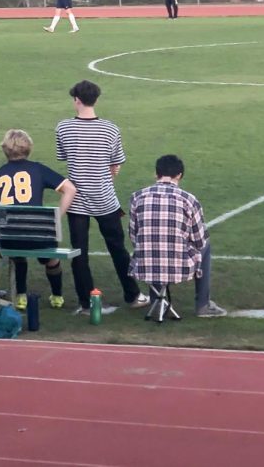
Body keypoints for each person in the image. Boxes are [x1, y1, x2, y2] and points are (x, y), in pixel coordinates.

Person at [55, 80, 149, 315]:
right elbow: (115, 164)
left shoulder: (64, 127)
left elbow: (64, 156)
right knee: (118, 248)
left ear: (77, 99)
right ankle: (133, 294)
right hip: (105, 198)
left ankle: (86, 302)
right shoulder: (110, 128)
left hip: (77, 200)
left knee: (79, 252)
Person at [128, 155, 226, 317]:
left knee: (149, 244)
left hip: (144, 265)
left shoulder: (136, 197)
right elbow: (199, 240)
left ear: (156, 174)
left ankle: (157, 301)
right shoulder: (188, 200)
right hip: (180, 267)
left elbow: (134, 236)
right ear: (179, 175)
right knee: (206, 245)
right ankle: (203, 304)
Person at [0, 129, 77, 310]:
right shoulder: (37, 169)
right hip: (38, 236)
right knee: (52, 259)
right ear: (28, 148)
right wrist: (56, 218)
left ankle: (20, 295)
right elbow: (70, 189)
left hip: (8, 239)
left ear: (5, 149)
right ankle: (57, 295)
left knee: (17, 255)